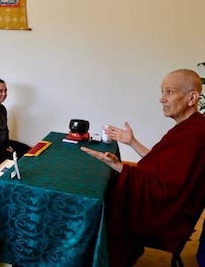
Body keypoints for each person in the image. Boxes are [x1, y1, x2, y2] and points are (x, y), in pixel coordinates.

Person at [81, 69, 205, 266]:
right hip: (170, 205)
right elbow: (164, 166)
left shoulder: (196, 134)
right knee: (108, 188)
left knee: (100, 204)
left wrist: (121, 168)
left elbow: (168, 189)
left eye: (169, 92)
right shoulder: (191, 127)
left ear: (192, 97)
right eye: (162, 91)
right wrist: (131, 142)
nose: (162, 99)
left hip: (168, 215)